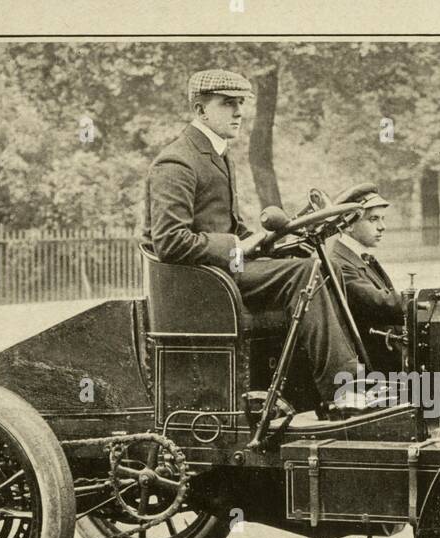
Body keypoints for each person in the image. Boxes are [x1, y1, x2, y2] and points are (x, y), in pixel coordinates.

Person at [142, 68, 371, 411]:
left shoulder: (217, 154)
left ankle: (330, 388)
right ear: (200, 109)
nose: (238, 111)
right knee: (305, 273)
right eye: (227, 103)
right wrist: (237, 247)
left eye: (240, 103)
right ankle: (345, 390)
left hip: (223, 273)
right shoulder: (177, 161)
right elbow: (170, 242)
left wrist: (270, 239)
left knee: (320, 267)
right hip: (200, 286)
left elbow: (230, 225)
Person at [328, 193, 406, 375]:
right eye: (373, 219)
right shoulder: (338, 263)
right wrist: (421, 301)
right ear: (348, 224)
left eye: (383, 219)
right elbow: (380, 304)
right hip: (374, 365)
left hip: (389, 355)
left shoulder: (360, 258)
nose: (382, 227)